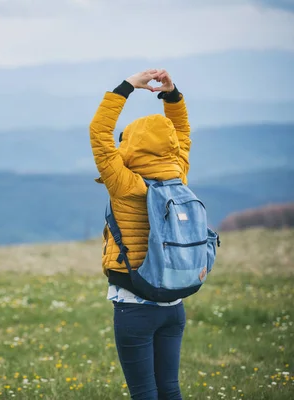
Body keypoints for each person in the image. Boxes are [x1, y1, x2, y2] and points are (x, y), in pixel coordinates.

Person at [89, 69, 191, 400]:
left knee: (144, 393)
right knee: (169, 389)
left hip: (135, 305)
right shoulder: (179, 175)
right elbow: (182, 133)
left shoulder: (124, 184)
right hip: (174, 304)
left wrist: (127, 87)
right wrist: (172, 95)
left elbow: (99, 131)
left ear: (130, 146)